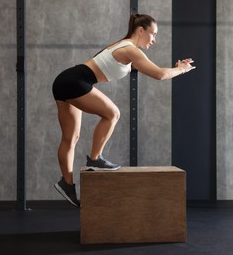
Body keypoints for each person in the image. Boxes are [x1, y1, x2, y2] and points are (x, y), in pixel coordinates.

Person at [52, 13, 195, 207]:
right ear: (141, 30)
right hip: (76, 81)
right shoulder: (129, 49)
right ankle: (95, 159)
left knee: (71, 137)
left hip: (65, 81)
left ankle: (67, 183)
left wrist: (176, 67)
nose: (154, 40)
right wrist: (182, 70)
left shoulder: (124, 46)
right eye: (153, 34)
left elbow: (149, 69)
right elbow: (160, 74)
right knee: (112, 114)